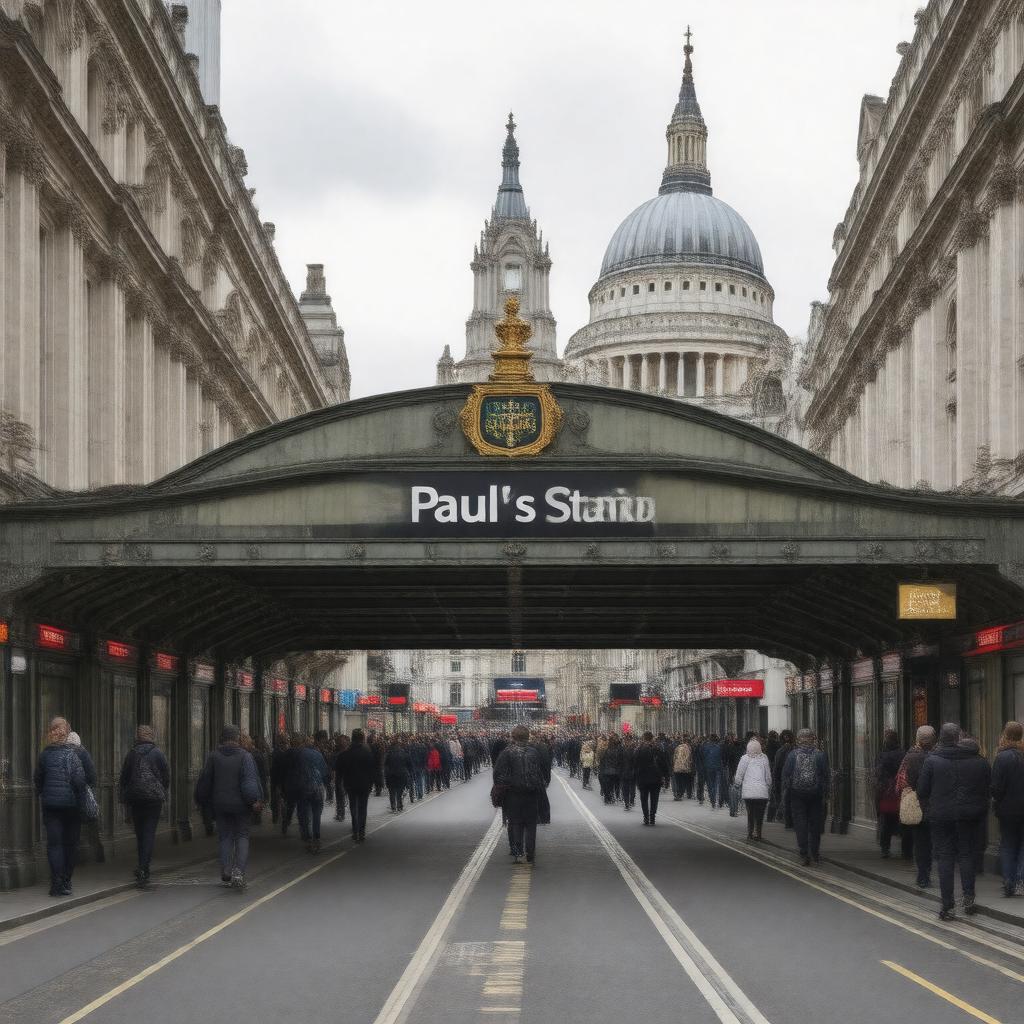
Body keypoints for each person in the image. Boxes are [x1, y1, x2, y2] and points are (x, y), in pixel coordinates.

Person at [916, 723, 991, 920]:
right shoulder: (979, 761)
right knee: (967, 855)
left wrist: (931, 805)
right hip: (968, 816)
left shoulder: (932, 760)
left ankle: (948, 906)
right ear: (959, 738)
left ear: (941, 738)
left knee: (945, 858)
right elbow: (987, 788)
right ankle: (968, 898)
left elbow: (922, 790)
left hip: (941, 816)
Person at [195, 725, 263, 890]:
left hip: (220, 804)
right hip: (241, 805)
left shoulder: (213, 757)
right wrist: (253, 800)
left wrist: (201, 800)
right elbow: (249, 782)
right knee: (241, 836)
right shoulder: (245, 757)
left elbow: (205, 782)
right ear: (237, 738)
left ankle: (226, 869)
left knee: (225, 837)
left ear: (222, 738)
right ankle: (238, 871)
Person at [34, 717, 86, 897]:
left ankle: (56, 883)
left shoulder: (44, 755)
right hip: (72, 807)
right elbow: (80, 781)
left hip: (51, 806)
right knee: (70, 844)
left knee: (55, 844)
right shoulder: (75, 754)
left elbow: (38, 780)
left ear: (50, 733)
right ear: (68, 733)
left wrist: (45, 793)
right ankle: (66, 881)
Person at [118, 725, 170, 886]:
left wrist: (123, 797)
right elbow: (166, 775)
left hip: (136, 798)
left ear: (138, 737)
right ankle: (143, 868)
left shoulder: (132, 754)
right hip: (153, 799)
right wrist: (162, 789)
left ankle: (142, 865)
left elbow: (124, 777)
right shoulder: (158, 753)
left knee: (140, 833)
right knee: (148, 833)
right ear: (151, 736)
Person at [493, 724, 545, 864]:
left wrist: (501, 788)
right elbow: (541, 772)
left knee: (516, 823)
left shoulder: (507, 752)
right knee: (531, 824)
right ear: (528, 737)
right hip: (532, 793)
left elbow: (498, 773)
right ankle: (531, 852)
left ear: (513, 736)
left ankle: (517, 851)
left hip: (513, 794)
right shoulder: (534, 752)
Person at [782, 729, 829, 866]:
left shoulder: (792, 755)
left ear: (799, 739)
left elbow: (786, 775)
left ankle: (804, 852)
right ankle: (814, 852)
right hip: (816, 794)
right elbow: (826, 775)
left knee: (800, 823)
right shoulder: (820, 755)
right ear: (812, 739)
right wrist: (826, 793)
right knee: (815, 823)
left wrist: (786, 792)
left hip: (797, 794)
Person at [898, 725, 937, 889]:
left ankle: (923, 876)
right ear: (933, 740)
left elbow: (900, 782)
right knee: (935, 842)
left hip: (917, 806)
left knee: (921, 843)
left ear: (917, 739)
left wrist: (908, 791)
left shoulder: (909, 757)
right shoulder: (937, 757)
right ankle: (928, 872)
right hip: (936, 805)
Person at [991, 721, 1024, 898]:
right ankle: (1020, 880)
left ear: (1005, 734)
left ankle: (1009, 881)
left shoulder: (1001, 758)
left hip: (1007, 810)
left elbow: (996, 787)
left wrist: (999, 800)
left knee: (1009, 845)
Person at [337, 728, 377, 842]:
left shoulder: (345, 754)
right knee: (362, 808)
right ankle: (362, 832)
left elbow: (340, 771)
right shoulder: (368, 753)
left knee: (353, 807)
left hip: (350, 785)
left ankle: (355, 830)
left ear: (352, 738)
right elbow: (372, 770)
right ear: (362, 739)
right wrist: (371, 783)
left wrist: (341, 785)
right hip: (364, 785)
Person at [874, 730, 906, 859]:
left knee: (885, 821)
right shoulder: (904, 754)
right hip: (901, 791)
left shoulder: (882, 756)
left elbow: (878, 774)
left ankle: (885, 849)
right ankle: (906, 850)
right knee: (903, 820)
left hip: (886, 792)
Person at [295, 735, 330, 853]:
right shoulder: (318, 755)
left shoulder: (299, 755)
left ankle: (308, 838)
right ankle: (316, 838)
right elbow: (325, 772)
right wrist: (327, 786)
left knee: (305, 813)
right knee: (316, 814)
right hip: (318, 788)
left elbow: (295, 771)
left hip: (303, 787)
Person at [734, 738, 772, 841]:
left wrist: (737, 784)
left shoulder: (744, 758)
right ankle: (758, 833)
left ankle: (750, 833)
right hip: (761, 792)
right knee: (760, 815)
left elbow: (739, 774)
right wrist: (768, 785)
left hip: (749, 792)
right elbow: (768, 776)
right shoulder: (764, 758)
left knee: (750, 813)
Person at [634, 732, 670, 825]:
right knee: (654, 798)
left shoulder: (639, 749)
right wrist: (666, 777)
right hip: (656, 778)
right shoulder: (657, 749)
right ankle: (652, 817)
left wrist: (636, 777)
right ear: (652, 738)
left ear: (643, 738)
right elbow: (664, 764)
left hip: (643, 777)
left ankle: (646, 817)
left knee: (644, 798)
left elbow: (635, 763)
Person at [385, 738, 413, 813]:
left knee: (392, 791)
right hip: (401, 775)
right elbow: (409, 764)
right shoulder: (403, 753)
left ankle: (393, 807)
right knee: (399, 791)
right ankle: (399, 805)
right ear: (398, 745)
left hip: (391, 775)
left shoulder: (389, 754)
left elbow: (385, 765)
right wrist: (408, 772)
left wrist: (386, 775)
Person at [702, 735, 724, 810]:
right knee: (716, 784)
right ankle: (714, 799)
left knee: (710, 784)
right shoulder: (719, 748)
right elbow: (721, 758)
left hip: (708, 768)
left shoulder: (706, 747)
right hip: (717, 768)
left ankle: (712, 801)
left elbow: (703, 757)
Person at [672, 735, 694, 800]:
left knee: (678, 782)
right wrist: (690, 766)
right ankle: (681, 794)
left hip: (677, 767)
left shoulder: (677, 747)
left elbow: (674, 757)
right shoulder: (689, 748)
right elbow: (690, 758)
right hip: (685, 768)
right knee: (684, 781)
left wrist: (674, 765)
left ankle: (678, 794)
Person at [620, 735, 637, 812]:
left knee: (632, 788)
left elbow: (636, 762)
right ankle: (627, 803)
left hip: (631, 772)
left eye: (628, 741)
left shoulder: (634, 750)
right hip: (624, 772)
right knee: (625, 788)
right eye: (626, 741)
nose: (627, 742)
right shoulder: (622, 749)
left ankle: (631, 800)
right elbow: (619, 761)